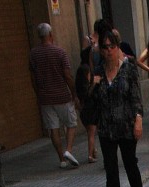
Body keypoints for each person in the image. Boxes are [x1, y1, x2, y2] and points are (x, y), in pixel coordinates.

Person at [91, 30, 145, 187]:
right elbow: (91, 100)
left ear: (117, 47)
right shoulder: (98, 71)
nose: (108, 51)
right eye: (104, 47)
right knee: (111, 170)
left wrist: (138, 121)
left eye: (112, 46)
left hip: (126, 125)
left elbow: (136, 98)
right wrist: (93, 85)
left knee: (130, 163)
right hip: (106, 128)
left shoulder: (128, 68)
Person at [29, 23, 78, 169]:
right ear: (51, 35)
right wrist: (73, 93)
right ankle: (68, 150)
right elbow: (67, 75)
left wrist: (38, 94)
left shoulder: (33, 54)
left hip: (45, 98)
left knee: (53, 128)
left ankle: (61, 159)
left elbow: (32, 78)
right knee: (71, 123)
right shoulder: (60, 52)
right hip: (62, 96)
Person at [75, 47, 98, 162]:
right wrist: (94, 83)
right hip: (90, 108)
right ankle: (90, 155)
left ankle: (93, 151)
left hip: (83, 109)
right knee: (91, 133)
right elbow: (89, 92)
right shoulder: (87, 69)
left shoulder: (80, 71)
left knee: (90, 132)